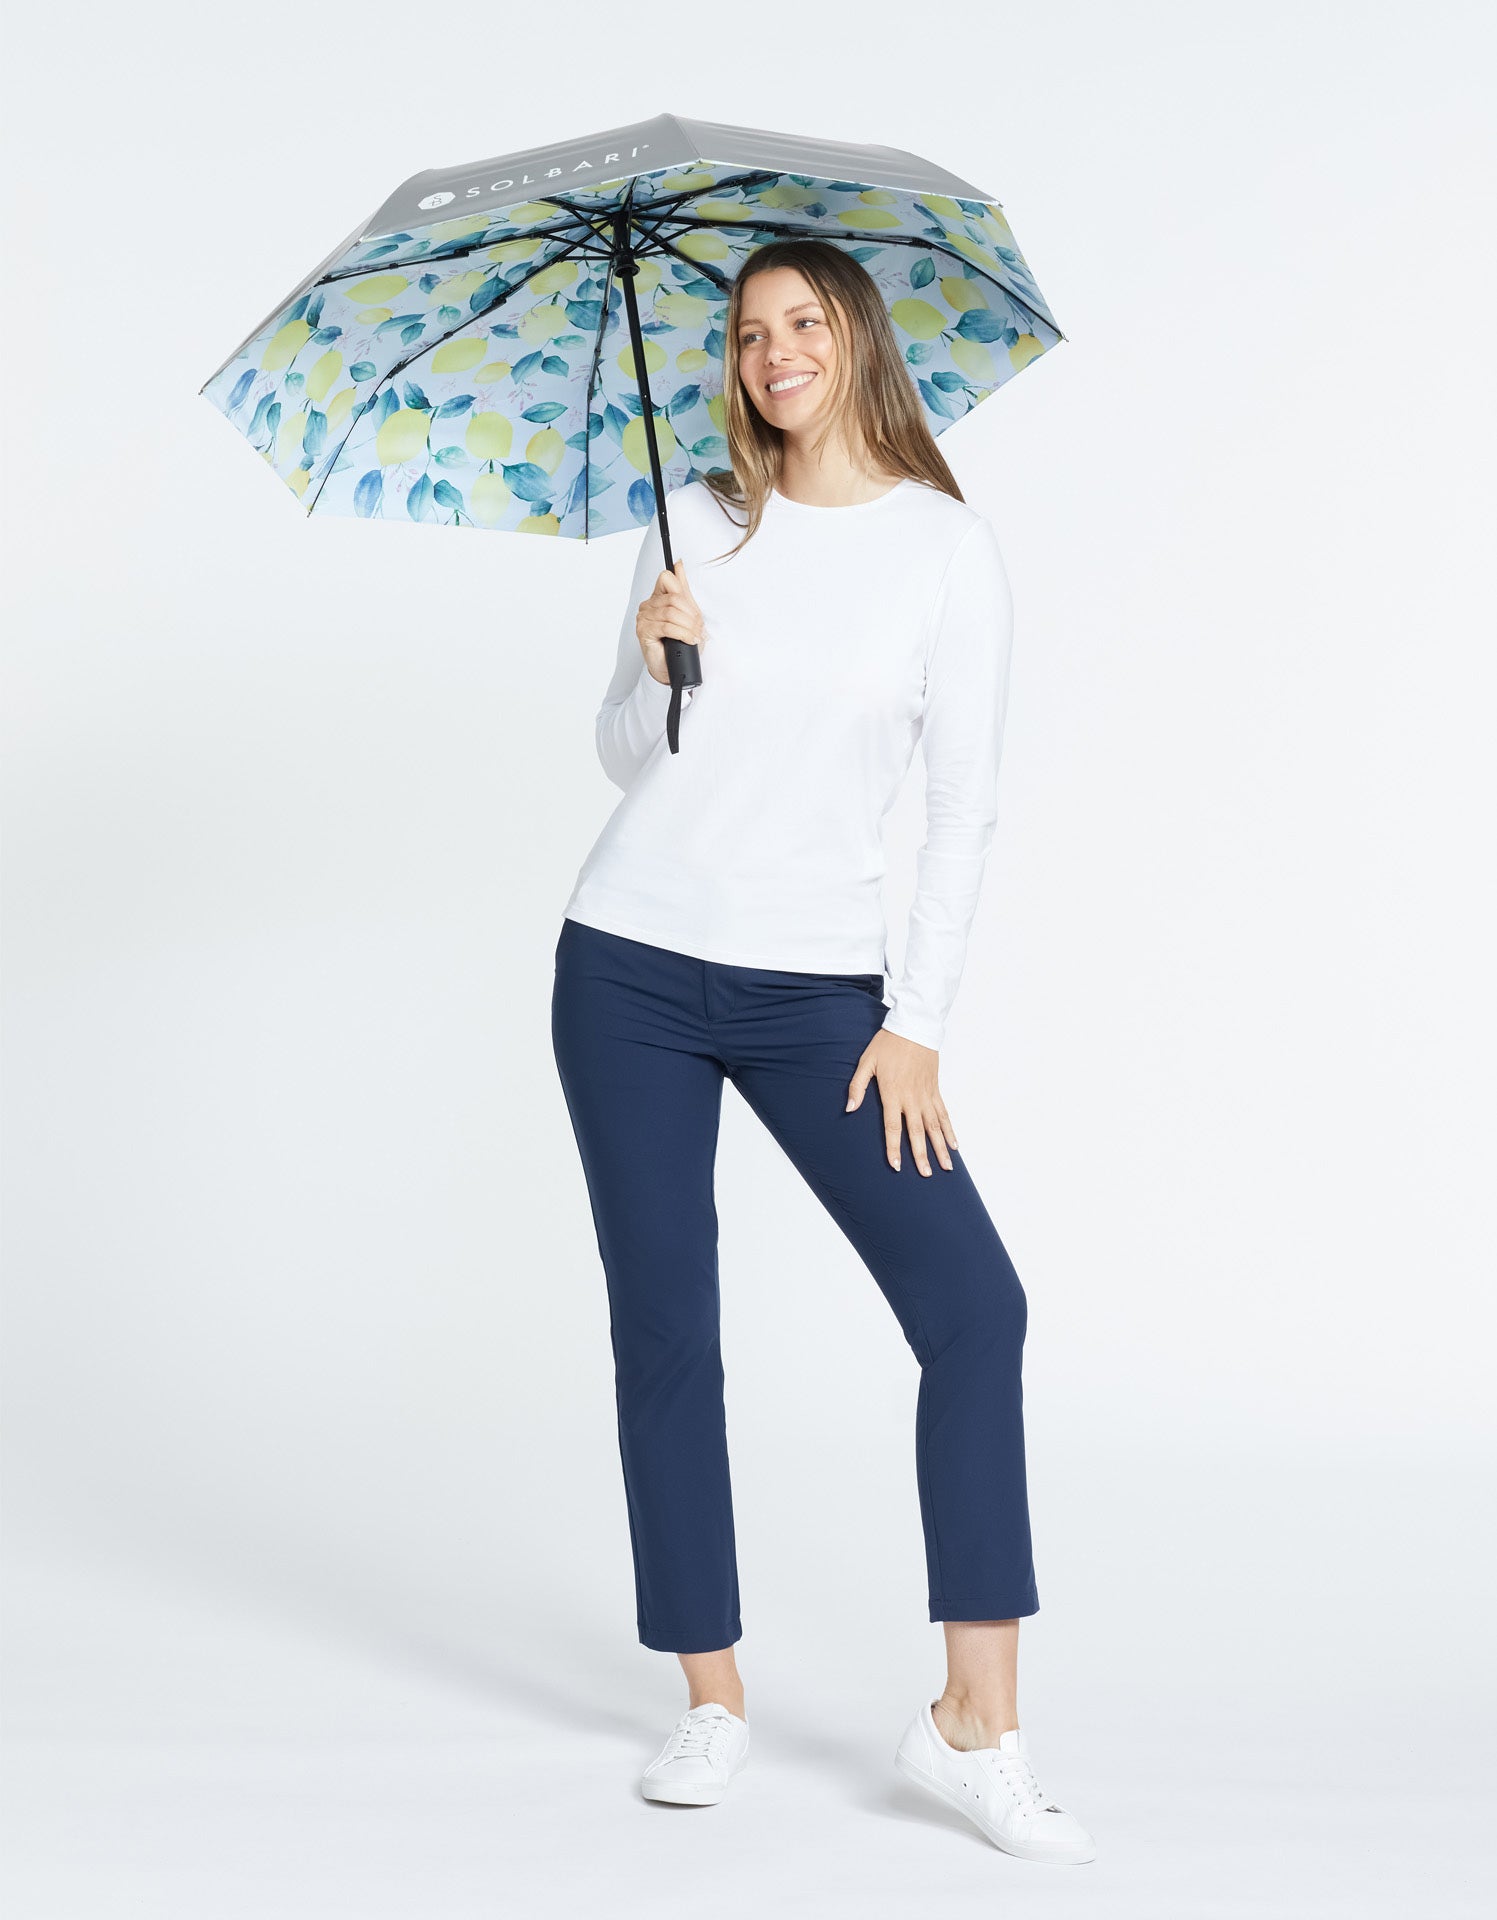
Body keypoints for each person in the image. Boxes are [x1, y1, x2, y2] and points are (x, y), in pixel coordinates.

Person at [549, 237, 1095, 1867]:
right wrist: (660, 665)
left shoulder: (943, 549)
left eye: (800, 322)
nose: (772, 352)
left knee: (973, 1310)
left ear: (853, 337)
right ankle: (709, 1694)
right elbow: (626, 756)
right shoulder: (696, 521)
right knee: (667, 1328)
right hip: (628, 968)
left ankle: (974, 1726)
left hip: (816, 999)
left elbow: (965, 807)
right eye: (746, 332)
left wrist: (912, 1025)